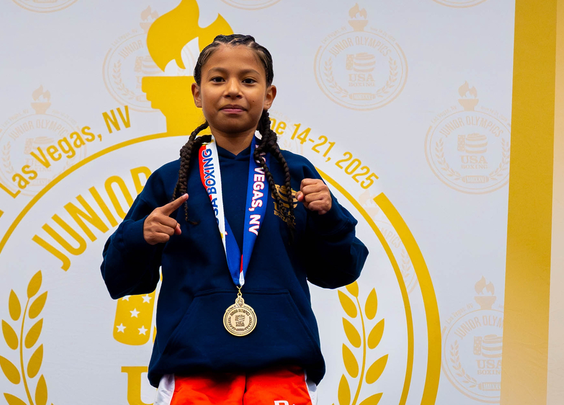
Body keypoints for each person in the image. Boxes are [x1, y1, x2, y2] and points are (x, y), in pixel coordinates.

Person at [100, 34, 369, 404]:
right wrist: (140, 236)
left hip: (282, 362)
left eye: (248, 80)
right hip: (193, 366)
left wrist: (329, 217)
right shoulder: (170, 179)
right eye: (217, 79)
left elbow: (340, 271)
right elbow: (118, 278)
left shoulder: (295, 174)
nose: (232, 90)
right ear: (197, 93)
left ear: (268, 95)